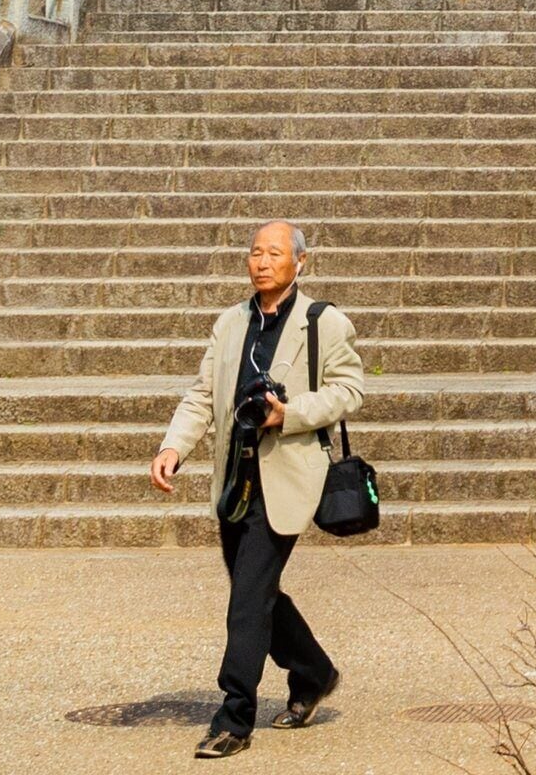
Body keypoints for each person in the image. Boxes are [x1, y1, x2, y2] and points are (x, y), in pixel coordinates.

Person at [152, 219, 365, 758]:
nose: (262, 261)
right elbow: (202, 394)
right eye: (255, 252)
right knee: (257, 592)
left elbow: (348, 391)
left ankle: (233, 718)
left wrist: (289, 414)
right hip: (235, 479)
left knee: (247, 598)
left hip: (287, 476)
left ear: (300, 262)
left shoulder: (324, 322)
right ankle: (314, 672)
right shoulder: (230, 323)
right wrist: (173, 447)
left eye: (274, 253)